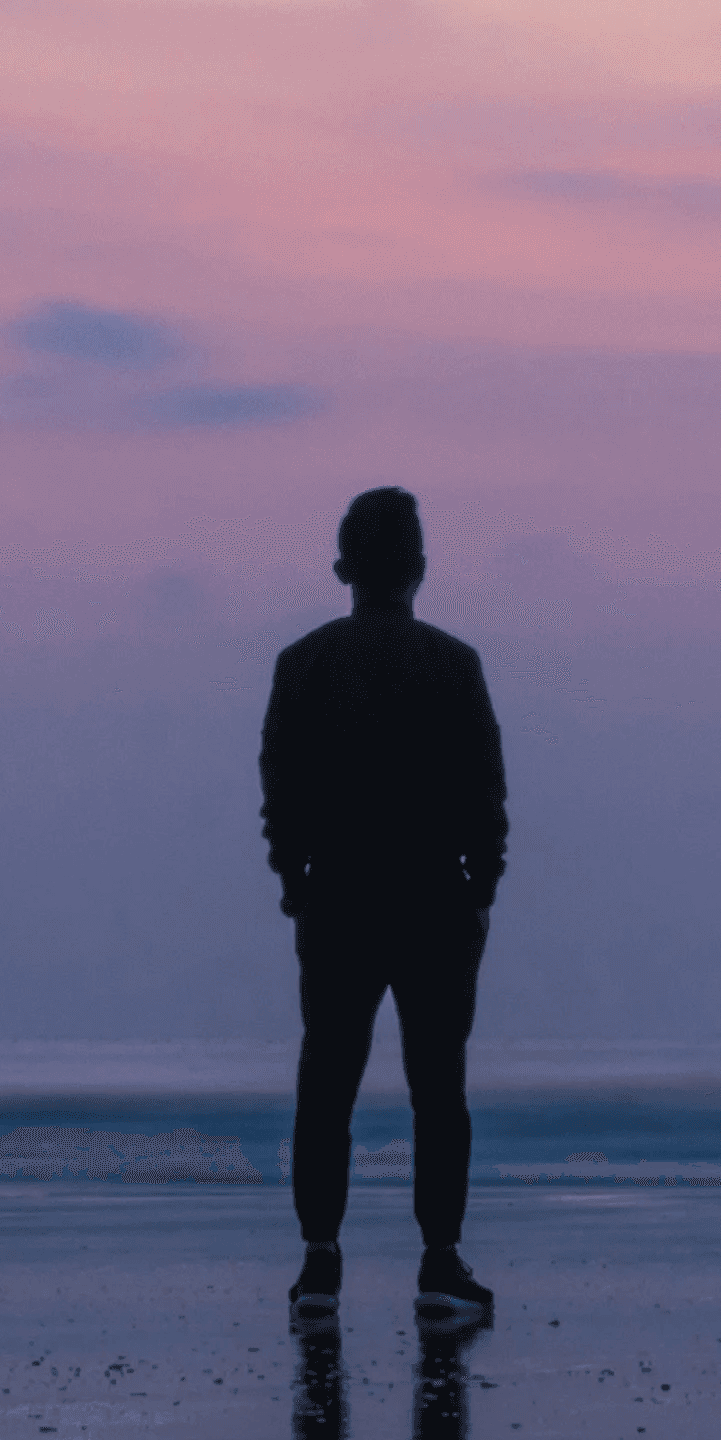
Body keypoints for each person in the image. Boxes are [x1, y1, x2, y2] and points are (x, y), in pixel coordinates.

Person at [263, 486, 507, 1320]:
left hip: (336, 897)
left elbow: (280, 788)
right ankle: (439, 1260)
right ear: (419, 570)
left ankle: (320, 1263)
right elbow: (485, 792)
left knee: (326, 1081)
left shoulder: (303, 662)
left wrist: (294, 880)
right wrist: (481, 887)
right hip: (435, 898)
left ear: (343, 569)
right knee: (437, 1087)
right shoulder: (452, 662)